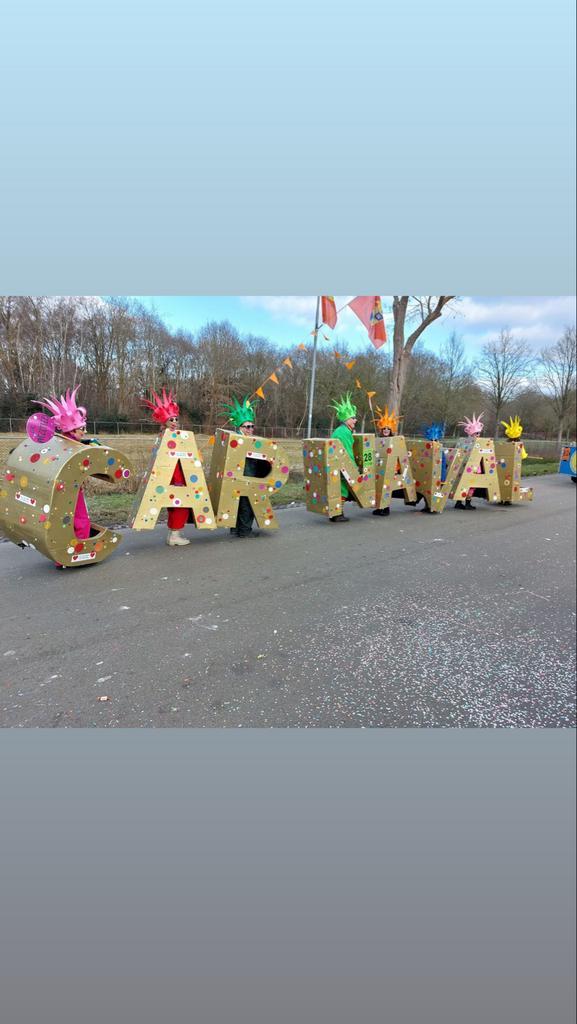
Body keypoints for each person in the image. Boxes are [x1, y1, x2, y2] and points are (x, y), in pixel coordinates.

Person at [35, 385, 100, 541]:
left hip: (59, 489)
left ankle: (63, 546)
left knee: (64, 519)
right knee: (81, 519)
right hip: (72, 489)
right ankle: (79, 546)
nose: (84, 432)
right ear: (72, 430)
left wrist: (87, 443)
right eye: (82, 429)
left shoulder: (61, 442)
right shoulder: (73, 447)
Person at [141, 388, 192, 546]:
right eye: (171, 420)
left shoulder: (167, 435)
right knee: (181, 504)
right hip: (175, 476)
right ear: (165, 422)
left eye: (176, 419)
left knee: (175, 504)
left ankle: (173, 534)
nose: (175, 422)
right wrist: (179, 480)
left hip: (171, 475)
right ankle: (175, 535)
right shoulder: (167, 436)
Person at [221, 395, 265, 538]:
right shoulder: (239, 440)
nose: (250, 429)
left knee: (239, 503)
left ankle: (236, 529)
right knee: (246, 504)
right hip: (244, 477)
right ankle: (244, 531)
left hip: (243, 476)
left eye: (252, 426)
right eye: (247, 426)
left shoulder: (249, 439)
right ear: (240, 427)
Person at [329, 393, 359, 522]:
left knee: (337, 488)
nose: (355, 420)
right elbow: (347, 452)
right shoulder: (345, 432)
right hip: (340, 465)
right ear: (346, 420)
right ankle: (337, 514)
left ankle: (334, 513)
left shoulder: (339, 430)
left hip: (334, 463)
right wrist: (353, 467)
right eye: (353, 418)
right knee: (342, 489)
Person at [372, 406, 399, 516]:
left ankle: (386, 508)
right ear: (381, 430)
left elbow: (397, 456)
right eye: (384, 429)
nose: (386, 430)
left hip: (391, 468)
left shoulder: (394, 441)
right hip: (378, 468)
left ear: (391, 430)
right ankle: (379, 508)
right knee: (378, 488)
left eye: (388, 429)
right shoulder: (377, 440)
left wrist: (396, 469)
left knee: (386, 488)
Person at [454, 412, 485, 510]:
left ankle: (461, 502)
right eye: (477, 433)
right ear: (472, 434)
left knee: (467, 485)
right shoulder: (471, 442)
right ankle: (465, 503)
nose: (478, 435)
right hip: (472, 468)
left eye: (479, 433)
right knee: (469, 485)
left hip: (471, 467)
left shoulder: (465, 442)